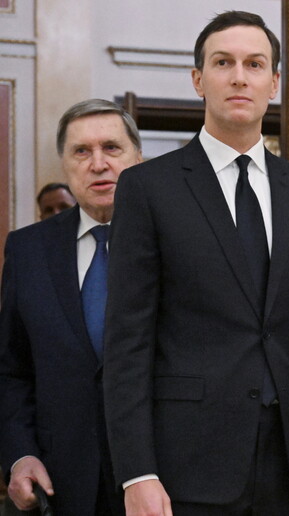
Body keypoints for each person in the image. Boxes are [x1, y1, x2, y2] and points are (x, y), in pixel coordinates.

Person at [102, 11, 289, 516]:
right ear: (198, 79)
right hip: (188, 465)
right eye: (223, 63)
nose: (240, 77)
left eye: (255, 64)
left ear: (275, 83)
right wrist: (137, 471)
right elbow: (127, 342)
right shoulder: (147, 188)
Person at [0, 98, 142, 516]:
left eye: (111, 148)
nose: (98, 164)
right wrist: (20, 454)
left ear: (137, 158)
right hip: (61, 484)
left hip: (163, 481)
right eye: (82, 151)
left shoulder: (178, 240)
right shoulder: (27, 250)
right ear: (64, 164)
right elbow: (12, 370)